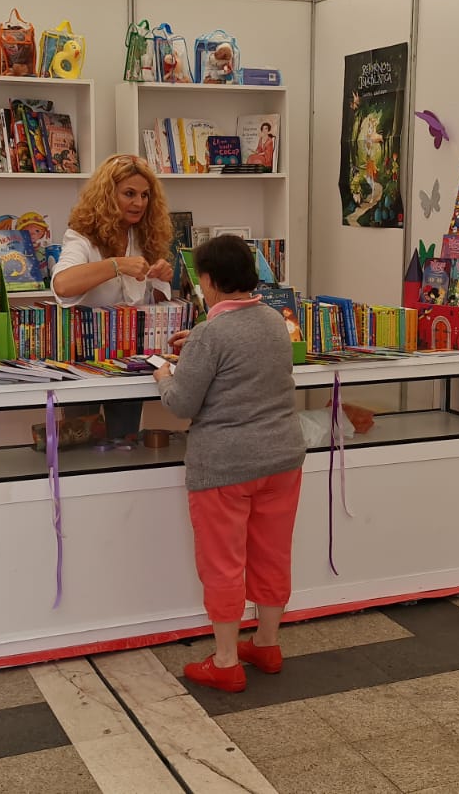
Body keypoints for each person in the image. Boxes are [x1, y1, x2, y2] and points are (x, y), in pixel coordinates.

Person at [154, 235, 304, 693]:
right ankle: (267, 644)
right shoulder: (275, 320)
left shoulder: (210, 334)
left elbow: (181, 404)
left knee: (222, 563)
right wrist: (197, 347)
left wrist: (164, 374)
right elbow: (244, 362)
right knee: (272, 554)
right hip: (282, 457)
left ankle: (225, 661)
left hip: (224, 466)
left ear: (208, 280)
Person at [53, 154, 173, 440]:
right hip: (84, 357)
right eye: (129, 194)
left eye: (145, 195)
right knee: (81, 443)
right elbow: (63, 285)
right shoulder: (81, 236)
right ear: (108, 195)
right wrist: (116, 265)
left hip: (131, 356)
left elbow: (152, 302)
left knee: (125, 442)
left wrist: (162, 277)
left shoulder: (145, 237)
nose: (139, 203)